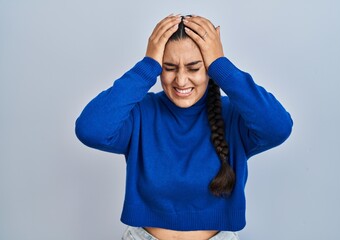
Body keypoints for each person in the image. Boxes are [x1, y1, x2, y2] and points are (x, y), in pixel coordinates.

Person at [75, 14, 293, 240]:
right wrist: (147, 66)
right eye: (169, 67)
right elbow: (90, 129)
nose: (180, 80)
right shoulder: (141, 113)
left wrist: (221, 65)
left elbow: (279, 127)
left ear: (209, 68)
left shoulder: (235, 117)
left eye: (193, 68)